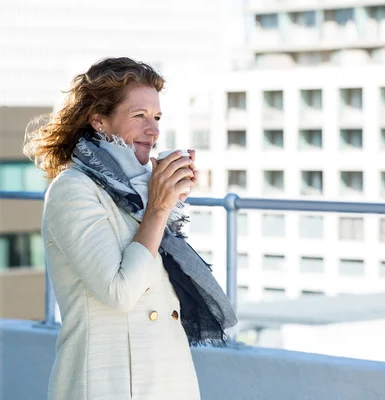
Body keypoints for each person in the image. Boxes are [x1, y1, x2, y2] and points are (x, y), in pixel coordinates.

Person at [23, 57, 237, 400]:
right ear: (99, 121)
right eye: (138, 116)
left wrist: (166, 199)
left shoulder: (139, 190)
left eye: (156, 117)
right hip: (111, 384)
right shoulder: (72, 190)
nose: (152, 130)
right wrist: (159, 206)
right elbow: (119, 293)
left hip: (169, 380)